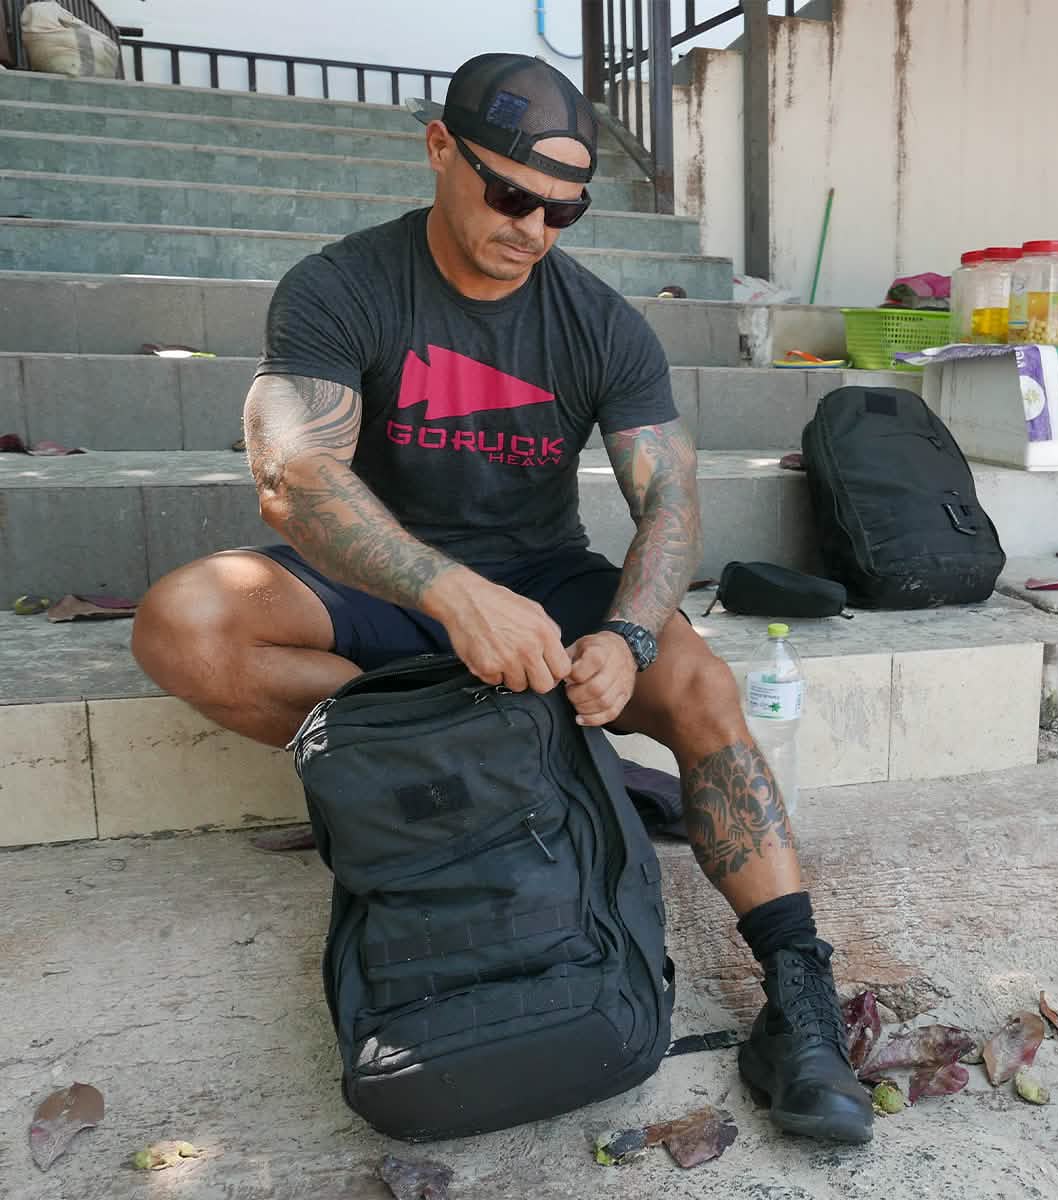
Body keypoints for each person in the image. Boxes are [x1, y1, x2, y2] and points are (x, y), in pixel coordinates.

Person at [131, 52, 872, 1145]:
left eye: (563, 210)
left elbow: (669, 505)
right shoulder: (344, 284)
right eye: (510, 192)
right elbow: (293, 474)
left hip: (545, 577)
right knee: (184, 626)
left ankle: (798, 993)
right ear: (441, 149)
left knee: (703, 689)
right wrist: (446, 589)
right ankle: (513, 759)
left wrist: (623, 633)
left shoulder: (601, 322)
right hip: (381, 575)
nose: (534, 226)